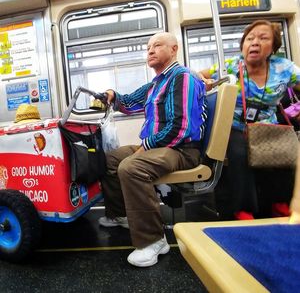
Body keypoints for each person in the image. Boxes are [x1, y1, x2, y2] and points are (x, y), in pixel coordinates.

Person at [98, 32, 207, 267]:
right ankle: (122, 215)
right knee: (110, 160)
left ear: (174, 49)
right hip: (160, 145)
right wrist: (113, 96)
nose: (150, 50)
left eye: (157, 45)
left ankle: (154, 240)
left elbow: (181, 127)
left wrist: (144, 148)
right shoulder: (157, 83)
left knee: (131, 167)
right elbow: (128, 103)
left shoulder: (183, 77)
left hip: (182, 149)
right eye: (148, 47)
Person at [199, 20, 300, 220]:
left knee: (284, 152)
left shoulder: (284, 68)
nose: (254, 43)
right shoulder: (231, 65)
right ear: (243, 44)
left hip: (266, 125)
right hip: (233, 124)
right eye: (250, 38)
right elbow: (200, 76)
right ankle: (243, 209)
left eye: (263, 38)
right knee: (238, 152)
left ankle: (280, 203)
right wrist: (205, 81)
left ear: (273, 47)